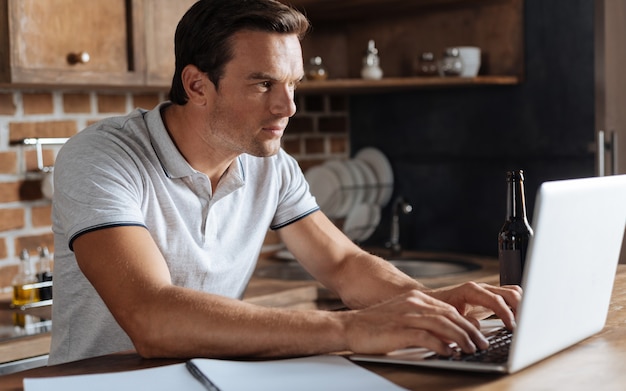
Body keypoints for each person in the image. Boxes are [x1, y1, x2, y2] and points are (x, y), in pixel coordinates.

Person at [49, 0, 520, 365]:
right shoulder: (102, 158)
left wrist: (430, 303)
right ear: (196, 86)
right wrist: (350, 329)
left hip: (211, 378)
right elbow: (152, 318)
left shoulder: (268, 164)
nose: (288, 107)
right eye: (263, 84)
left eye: (292, 84)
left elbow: (343, 264)